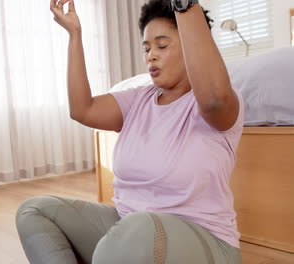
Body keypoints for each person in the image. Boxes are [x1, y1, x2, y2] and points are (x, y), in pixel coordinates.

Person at [16, 0, 244, 263]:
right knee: (35, 211)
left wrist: (184, 6)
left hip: (203, 240)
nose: (151, 55)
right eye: (146, 48)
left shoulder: (217, 103)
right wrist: (74, 34)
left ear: (192, 46)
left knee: (137, 229)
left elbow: (215, 99)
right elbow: (82, 109)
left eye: (162, 45)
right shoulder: (138, 99)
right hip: (130, 230)